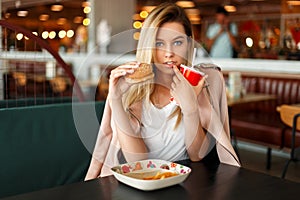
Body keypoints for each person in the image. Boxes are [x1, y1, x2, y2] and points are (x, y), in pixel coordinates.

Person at [85, 2, 240, 180]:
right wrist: (115, 101)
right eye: (159, 43)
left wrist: (190, 108)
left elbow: (197, 155)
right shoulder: (131, 89)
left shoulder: (198, 86)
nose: (168, 53)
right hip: (140, 184)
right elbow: (137, 160)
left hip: (184, 183)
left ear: (189, 45)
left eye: (178, 42)